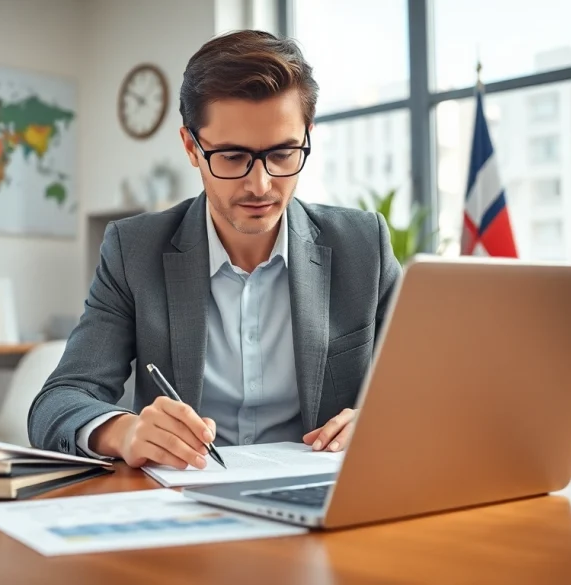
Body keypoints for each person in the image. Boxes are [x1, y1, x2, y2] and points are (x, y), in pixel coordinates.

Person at [27, 29, 401, 470]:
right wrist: (125, 431)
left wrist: (382, 422)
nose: (260, 185)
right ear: (191, 147)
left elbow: (433, 385)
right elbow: (59, 402)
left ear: (307, 137)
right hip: (187, 505)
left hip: (320, 506)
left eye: (282, 154)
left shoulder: (363, 245)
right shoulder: (135, 250)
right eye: (231, 157)